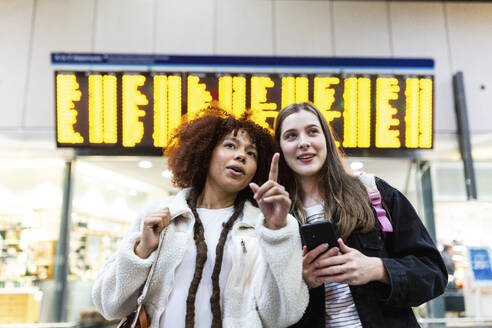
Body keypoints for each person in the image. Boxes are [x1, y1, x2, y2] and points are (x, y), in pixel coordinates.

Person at [92, 109, 308, 328]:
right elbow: (109, 305)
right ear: (206, 154)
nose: (242, 155)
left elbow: (281, 316)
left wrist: (277, 230)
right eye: (230, 145)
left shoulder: (261, 227)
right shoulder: (161, 216)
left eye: (251, 153)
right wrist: (142, 250)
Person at [273, 102, 447, 327]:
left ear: (326, 138)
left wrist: (378, 269)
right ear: (280, 148)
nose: (303, 143)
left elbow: (433, 273)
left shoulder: (374, 193)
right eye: (291, 136)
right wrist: (301, 281)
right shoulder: (275, 216)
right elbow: (266, 302)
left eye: (312, 131)